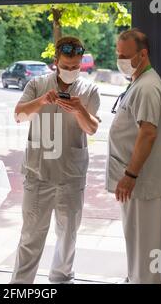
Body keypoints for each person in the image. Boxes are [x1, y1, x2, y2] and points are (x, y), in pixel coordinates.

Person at [11, 36, 100, 284]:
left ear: (81, 63)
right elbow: (18, 116)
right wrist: (42, 101)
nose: (71, 71)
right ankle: (20, 285)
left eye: (75, 66)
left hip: (71, 176)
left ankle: (61, 278)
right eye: (66, 66)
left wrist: (80, 109)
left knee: (68, 234)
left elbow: (92, 129)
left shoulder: (89, 90)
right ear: (56, 62)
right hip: (38, 174)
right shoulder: (37, 84)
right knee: (31, 236)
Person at [107, 28, 161, 284]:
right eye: (118, 54)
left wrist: (130, 175)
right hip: (135, 184)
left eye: (125, 55)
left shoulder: (147, 87)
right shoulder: (138, 82)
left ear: (143, 54)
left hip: (141, 182)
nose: (120, 60)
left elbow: (148, 134)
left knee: (146, 248)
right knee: (136, 243)